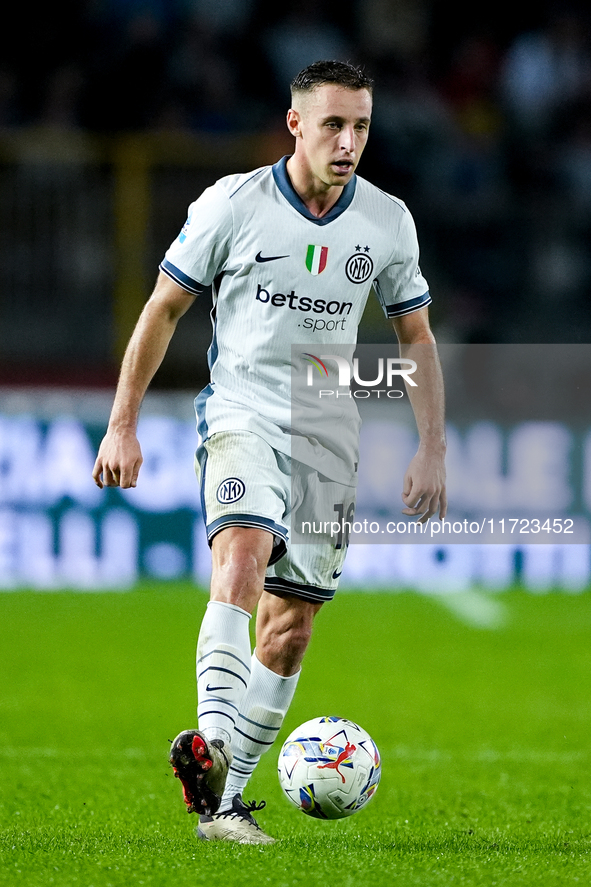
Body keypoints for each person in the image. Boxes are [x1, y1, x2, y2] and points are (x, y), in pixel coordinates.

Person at [92, 59, 447, 845]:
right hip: (243, 413)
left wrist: (431, 446)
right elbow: (163, 308)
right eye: (331, 124)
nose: (348, 140)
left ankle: (224, 805)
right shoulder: (233, 203)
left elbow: (413, 334)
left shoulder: (387, 221)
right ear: (295, 124)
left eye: (359, 125)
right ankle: (213, 745)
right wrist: (122, 423)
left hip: (328, 435)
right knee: (242, 555)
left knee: (288, 631)